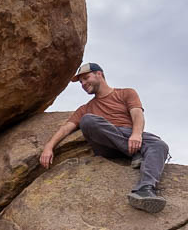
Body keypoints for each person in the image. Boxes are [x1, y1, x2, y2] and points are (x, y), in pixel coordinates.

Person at [39, 62, 170, 213]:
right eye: (81, 82)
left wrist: (136, 134)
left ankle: (145, 190)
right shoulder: (85, 108)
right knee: (88, 120)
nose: (83, 84)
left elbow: (137, 115)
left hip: (129, 135)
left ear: (99, 74)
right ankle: (136, 153)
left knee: (160, 145)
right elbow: (65, 129)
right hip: (107, 146)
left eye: (86, 78)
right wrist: (49, 147)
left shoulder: (126, 93)